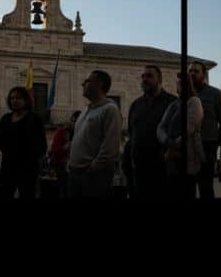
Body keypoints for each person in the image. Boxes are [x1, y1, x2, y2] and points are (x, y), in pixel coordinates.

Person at [68, 70, 123, 198]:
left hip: (93, 177)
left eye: (87, 81)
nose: (82, 84)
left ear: (99, 84)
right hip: (75, 174)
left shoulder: (110, 109)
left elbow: (110, 146)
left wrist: (93, 168)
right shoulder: (86, 110)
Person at [128, 65, 176, 199]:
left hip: (162, 168)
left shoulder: (172, 103)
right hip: (138, 168)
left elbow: (175, 135)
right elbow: (132, 134)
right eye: (143, 76)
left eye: (149, 76)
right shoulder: (136, 104)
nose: (144, 79)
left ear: (159, 79)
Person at [157, 72, 204, 200]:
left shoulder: (194, 102)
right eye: (178, 82)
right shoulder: (174, 104)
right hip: (170, 158)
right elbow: (161, 127)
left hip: (185, 157)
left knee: (185, 191)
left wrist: (173, 147)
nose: (179, 84)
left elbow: (189, 129)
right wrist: (167, 141)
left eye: (183, 82)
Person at [188, 61, 221, 200]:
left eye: (196, 71)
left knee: (205, 186)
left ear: (204, 75)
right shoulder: (184, 94)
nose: (192, 74)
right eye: (190, 71)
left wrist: (217, 143)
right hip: (188, 147)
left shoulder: (215, 94)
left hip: (207, 146)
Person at [0, 86, 47, 199]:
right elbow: (0, 141)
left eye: (18, 98)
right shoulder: (6, 119)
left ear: (26, 100)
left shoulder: (35, 120)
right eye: (12, 98)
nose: (14, 100)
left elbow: (41, 145)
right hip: (8, 167)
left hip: (28, 169)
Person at [48, 110, 81, 198]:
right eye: (74, 121)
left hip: (74, 167)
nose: (76, 124)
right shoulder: (62, 131)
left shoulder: (80, 133)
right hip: (61, 166)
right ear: (72, 120)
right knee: (64, 190)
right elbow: (54, 149)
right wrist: (66, 147)